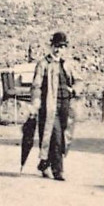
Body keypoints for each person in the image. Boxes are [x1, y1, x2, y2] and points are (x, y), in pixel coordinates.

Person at [30, 31, 77, 182]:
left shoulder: (67, 64)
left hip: (66, 106)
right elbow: (36, 85)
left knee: (62, 137)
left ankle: (45, 163)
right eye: (56, 46)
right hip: (50, 105)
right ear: (51, 46)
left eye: (62, 47)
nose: (58, 50)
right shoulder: (43, 64)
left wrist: (74, 89)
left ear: (65, 49)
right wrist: (36, 100)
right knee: (55, 136)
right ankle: (58, 171)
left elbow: (79, 81)